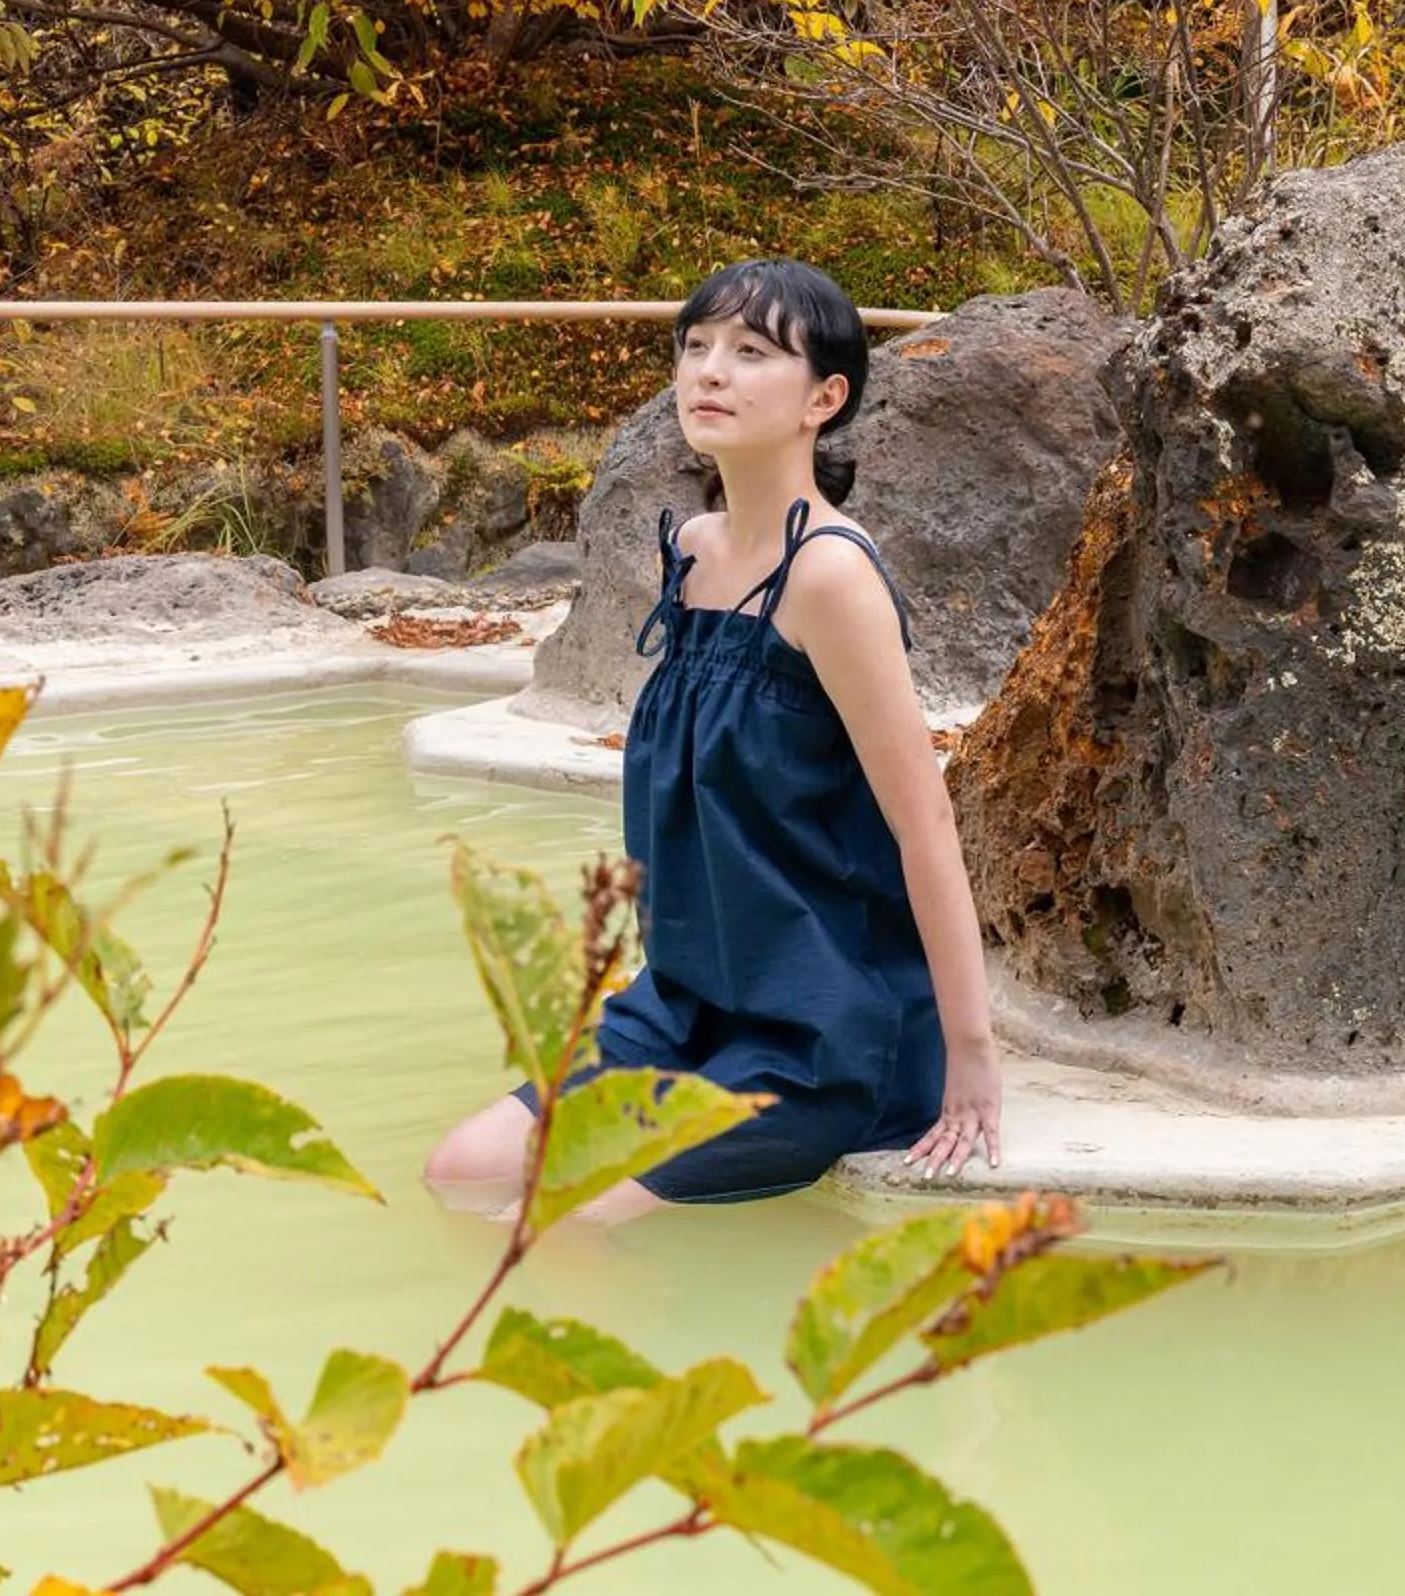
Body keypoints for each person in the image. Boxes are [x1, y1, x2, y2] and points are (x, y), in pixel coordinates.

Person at [426, 259, 1003, 1219]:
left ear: (826, 397)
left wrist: (972, 1057)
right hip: (688, 1002)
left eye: (749, 353)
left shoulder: (830, 578)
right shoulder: (691, 551)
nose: (709, 373)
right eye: (695, 348)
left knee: (555, 1220)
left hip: (822, 1029)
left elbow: (926, 824)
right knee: (464, 1169)